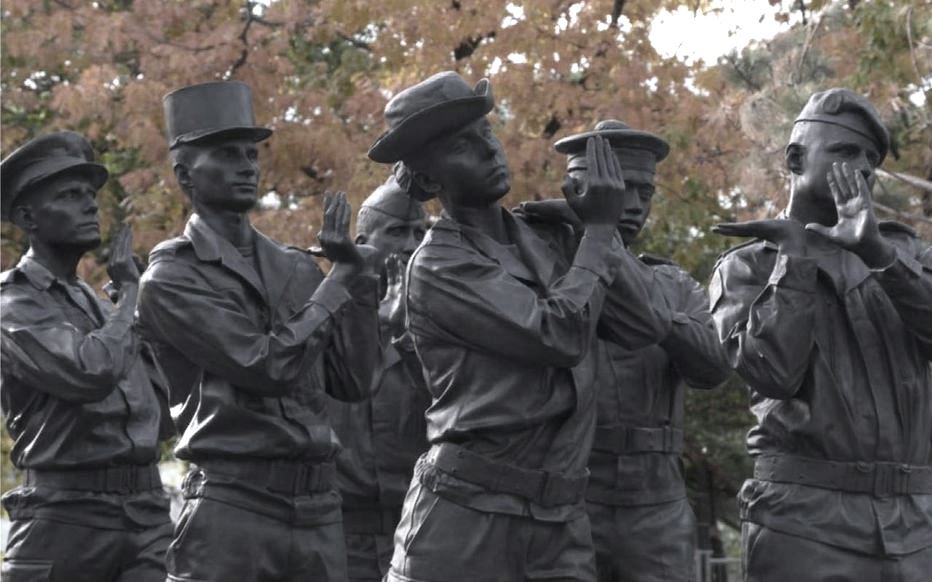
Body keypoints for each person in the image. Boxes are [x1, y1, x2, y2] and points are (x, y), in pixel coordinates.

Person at [368, 71, 672, 582]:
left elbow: (648, 323)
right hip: (467, 520)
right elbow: (559, 335)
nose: (489, 150)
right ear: (426, 181)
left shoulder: (549, 238)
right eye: (463, 145)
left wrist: (594, 233)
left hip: (561, 522)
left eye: (487, 133)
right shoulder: (439, 264)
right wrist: (598, 231)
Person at [136, 80, 380, 582]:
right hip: (235, 510)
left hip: (318, 509)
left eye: (250, 154)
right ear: (184, 175)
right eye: (226, 155)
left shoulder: (296, 268)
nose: (247, 165)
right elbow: (264, 365)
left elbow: (354, 382)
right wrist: (338, 287)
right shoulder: (172, 278)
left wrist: (360, 285)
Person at [712, 88, 932, 581]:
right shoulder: (749, 266)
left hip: (914, 529)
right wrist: (795, 261)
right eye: (845, 151)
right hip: (805, 524)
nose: (864, 168)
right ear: (795, 157)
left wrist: (879, 254)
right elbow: (772, 374)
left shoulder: (906, 255)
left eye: (871, 159)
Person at [519, 119, 730, 582]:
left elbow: (713, 367)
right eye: (620, 189)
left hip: (656, 508)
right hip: (565, 497)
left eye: (646, 193)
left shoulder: (670, 283)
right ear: (575, 190)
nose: (634, 205)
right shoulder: (539, 277)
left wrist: (642, 297)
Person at [0, 131, 173, 582]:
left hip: (146, 512)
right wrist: (132, 297)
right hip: (66, 519)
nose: (90, 204)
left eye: (90, 194)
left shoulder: (101, 304)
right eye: (70, 195)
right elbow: (88, 371)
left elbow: (157, 413)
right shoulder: (11, 303)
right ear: (27, 217)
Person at [327, 176, 432, 581]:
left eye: (421, 232)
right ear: (360, 240)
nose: (411, 244)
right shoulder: (321, 314)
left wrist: (408, 340)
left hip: (423, 528)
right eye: (397, 231)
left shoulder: (453, 321)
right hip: (341, 533)